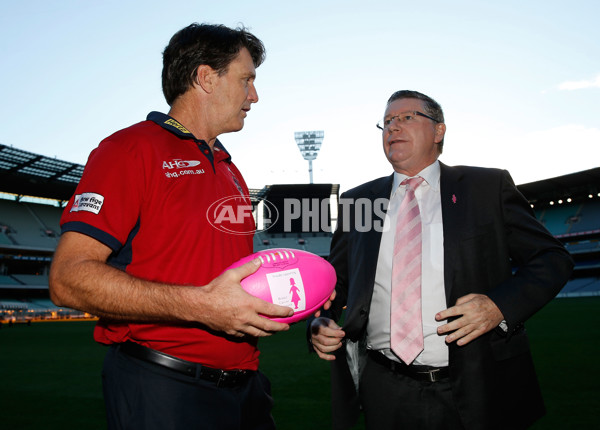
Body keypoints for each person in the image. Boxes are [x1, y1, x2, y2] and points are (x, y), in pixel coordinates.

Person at [49, 23, 295, 430]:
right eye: (247, 79)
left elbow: (222, 278)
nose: (255, 95)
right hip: (164, 388)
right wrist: (203, 307)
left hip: (246, 388)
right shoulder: (130, 149)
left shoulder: (229, 168)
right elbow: (67, 279)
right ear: (205, 77)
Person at [309, 90, 574, 430]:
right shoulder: (358, 201)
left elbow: (552, 258)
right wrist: (319, 322)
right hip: (383, 386)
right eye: (387, 121)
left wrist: (498, 306)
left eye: (407, 117)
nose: (393, 127)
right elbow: (336, 283)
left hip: (477, 382)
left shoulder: (485, 187)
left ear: (438, 131)